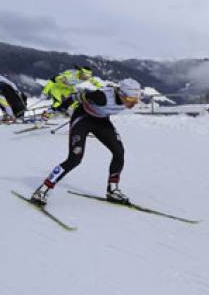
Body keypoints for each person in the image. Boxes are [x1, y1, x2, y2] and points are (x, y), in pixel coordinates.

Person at [29, 78, 143, 206]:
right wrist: (59, 108)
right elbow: (75, 96)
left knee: (119, 152)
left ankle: (112, 190)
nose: (132, 104)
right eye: (130, 100)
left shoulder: (126, 96)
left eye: (135, 100)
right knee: (74, 159)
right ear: (121, 94)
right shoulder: (101, 97)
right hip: (83, 118)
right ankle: (43, 190)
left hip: (102, 121)